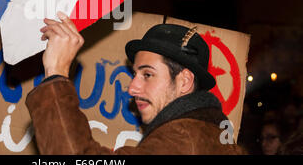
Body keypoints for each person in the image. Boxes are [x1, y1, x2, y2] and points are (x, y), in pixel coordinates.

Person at [25, 12, 246, 154]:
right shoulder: (212, 137)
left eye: (147, 74)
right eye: (135, 74)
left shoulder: (182, 139)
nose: (132, 88)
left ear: (185, 81)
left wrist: (56, 73)